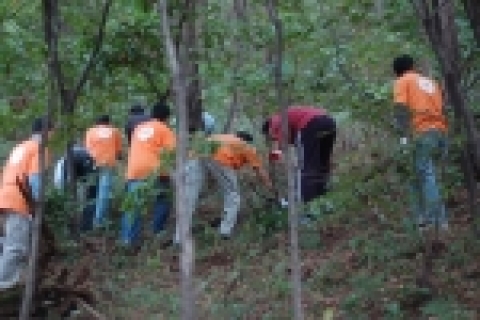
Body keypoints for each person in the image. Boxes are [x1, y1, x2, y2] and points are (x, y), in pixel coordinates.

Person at [174, 131, 272, 244]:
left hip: (197, 155)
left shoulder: (220, 137)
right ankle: (224, 232)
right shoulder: (245, 146)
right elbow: (259, 170)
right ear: (247, 141)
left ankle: (178, 238)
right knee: (233, 196)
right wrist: (269, 185)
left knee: (189, 198)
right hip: (220, 158)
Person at [392, 54, 448, 230]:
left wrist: (403, 136)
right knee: (417, 176)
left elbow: (401, 109)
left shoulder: (402, 81)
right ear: (413, 65)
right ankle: (422, 220)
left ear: (396, 72)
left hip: (421, 132)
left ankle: (436, 221)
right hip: (439, 131)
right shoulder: (430, 82)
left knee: (424, 175)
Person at [0, 117, 53, 289]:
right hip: (18, 201)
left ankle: (13, 284)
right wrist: (39, 207)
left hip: (5, 196)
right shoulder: (39, 149)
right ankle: (3, 286)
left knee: (9, 242)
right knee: (15, 249)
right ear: (47, 132)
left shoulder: (21, 146)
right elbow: (36, 180)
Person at [121, 102, 176, 246]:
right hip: (155, 171)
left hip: (134, 171)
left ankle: (128, 241)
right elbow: (172, 153)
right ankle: (158, 233)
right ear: (167, 118)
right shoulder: (165, 129)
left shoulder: (138, 128)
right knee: (163, 200)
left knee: (133, 207)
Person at [262, 106, 337, 204]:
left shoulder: (276, 121)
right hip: (329, 123)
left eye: (270, 136)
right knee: (322, 162)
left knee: (307, 165)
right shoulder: (288, 116)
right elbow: (293, 140)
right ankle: (321, 194)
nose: (272, 138)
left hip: (311, 124)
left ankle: (307, 201)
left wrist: (275, 155)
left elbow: (282, 145)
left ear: (269, 128)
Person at [85, 115, 122, 228]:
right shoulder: (115, 131)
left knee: (91, 192)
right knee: (103, 193)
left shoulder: (90, 131)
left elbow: (87, 149)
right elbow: (118, 152)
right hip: (108, 163)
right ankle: (99, 221)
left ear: (97, 122)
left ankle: (88, 220)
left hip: (92, 163)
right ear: (109, 122)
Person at [53, 142, 98, 231]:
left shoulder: (86, 156)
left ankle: (81, 226)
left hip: (67, 169)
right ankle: (81, 226)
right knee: (88, 197)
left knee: (87, 197)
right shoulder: (85, 156)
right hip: (66, 169)